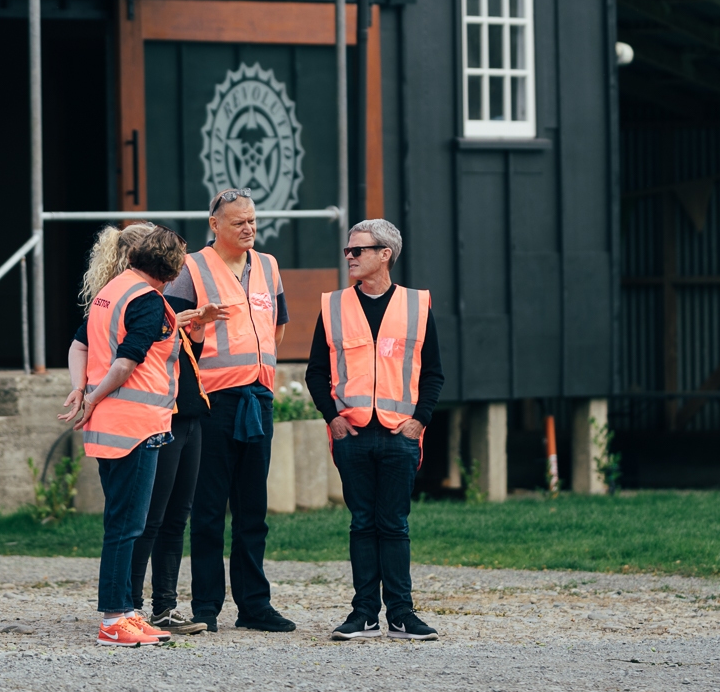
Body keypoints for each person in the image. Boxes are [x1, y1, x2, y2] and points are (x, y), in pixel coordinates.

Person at [57, 223, 202, 646]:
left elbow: (79, 346)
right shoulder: (148, 301)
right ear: (173, 271)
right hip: (134, 426)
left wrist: (81, 387)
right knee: (127, 526)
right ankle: (113, 619)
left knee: (125, 524)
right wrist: (93, 398)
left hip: (115, 425)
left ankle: (126, 611)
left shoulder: (111, 290)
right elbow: (126, 363)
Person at [305, 217, 443, 641]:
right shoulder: (333, 306)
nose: (349, 256)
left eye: (358, 250)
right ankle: (364, 613)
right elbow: (315, 373)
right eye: (348, 250)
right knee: (362, 523)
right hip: (354, 436)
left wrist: (419, 421)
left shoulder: (417, 306)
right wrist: (333, 417)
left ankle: (401, 614)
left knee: (394, 524)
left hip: (401, 434)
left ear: (385, 254)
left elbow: (433, 373)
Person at [167, 188, 296, 633]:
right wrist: (199, 325)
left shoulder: (269, 266)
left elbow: (277, 326)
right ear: (215, 225)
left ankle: (255, 605)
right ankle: (206, 607)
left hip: (257, 399)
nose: (249, 228)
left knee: (252, 509)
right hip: (212, 402)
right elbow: (173, 332)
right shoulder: (191, 269)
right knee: (207, 509)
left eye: (253, 220)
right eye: (239, 222)